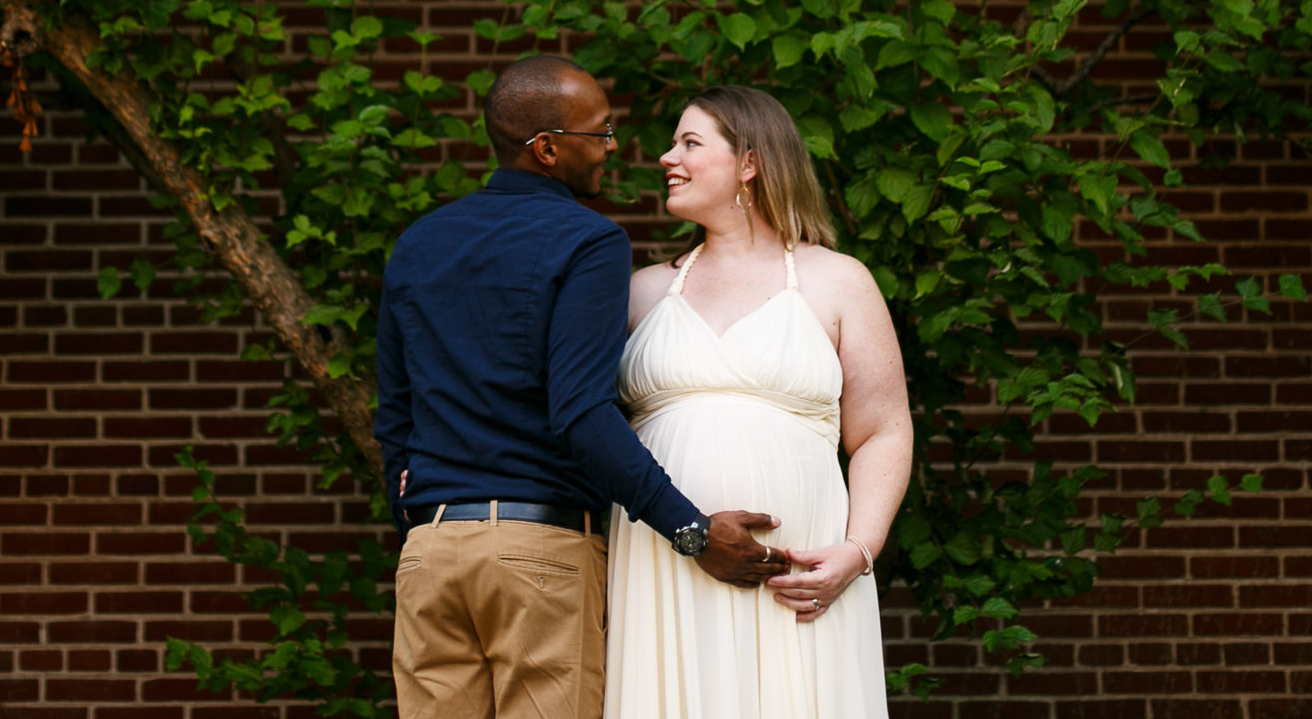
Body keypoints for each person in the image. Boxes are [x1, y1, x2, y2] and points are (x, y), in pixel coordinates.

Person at [376, 54, 788, 719]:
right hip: (539, 552)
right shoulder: (588, 241)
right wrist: (690, 529)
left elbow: (393, 416)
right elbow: (581, 413)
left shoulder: (418, 243)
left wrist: (419, 521)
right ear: (546, 147)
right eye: (598, 133)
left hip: (430, 552)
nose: (613, 147)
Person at [606, 85, 914, 718]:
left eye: (690, 143)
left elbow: (883, 430)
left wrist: (858, 552)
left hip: (799, 576)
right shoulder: (640, 292)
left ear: (749, 162)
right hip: (662, 562)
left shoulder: (838, 281)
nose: (668, 157)